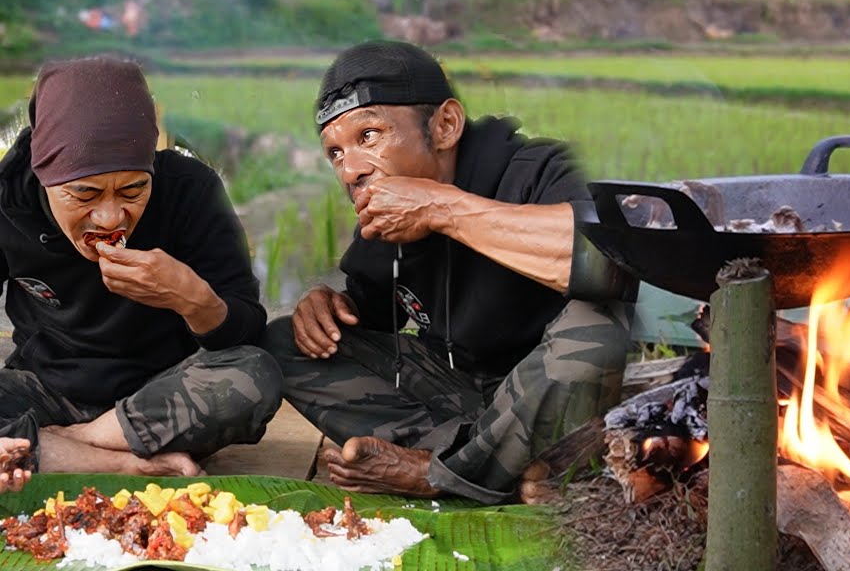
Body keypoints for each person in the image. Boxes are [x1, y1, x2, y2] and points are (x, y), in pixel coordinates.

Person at [262, 40, 635, 503]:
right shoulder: (385, 223)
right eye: (335, 153)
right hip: (464, 405)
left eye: (368, 136)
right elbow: (371, 310)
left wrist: (441, 208)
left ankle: (439, 475)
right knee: (286, 340)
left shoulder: (539, 169)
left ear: (445, 126)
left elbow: (606, 264)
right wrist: (326, 306)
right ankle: (501, 471)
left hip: (550, 399)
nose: (350, 170)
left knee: (595, 332)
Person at [0, 56, 283, 477]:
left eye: (133, 189)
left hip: (157, 398)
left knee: (254, 376)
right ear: (43, 174)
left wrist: (193, 299)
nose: (111, 218)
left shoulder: (192, 191)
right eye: (85, 194)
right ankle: (120, 464)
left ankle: (65, 448)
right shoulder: (7, 200)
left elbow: (245, 332)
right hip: (45, 389)